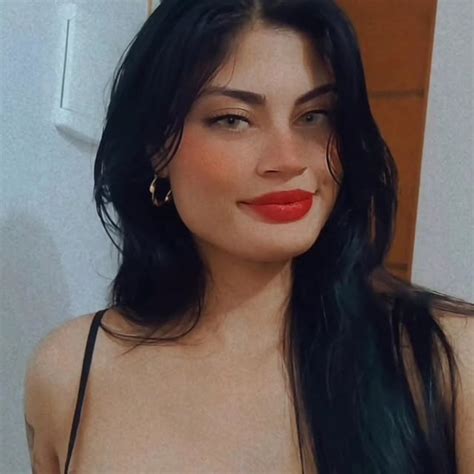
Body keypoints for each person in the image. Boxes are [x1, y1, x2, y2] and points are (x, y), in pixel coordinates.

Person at [23, 0, 474, 473]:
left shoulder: (447, 362)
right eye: (233, 119)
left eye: (314, 115)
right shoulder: (69, 374)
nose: (288, 159)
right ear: (158, 147)